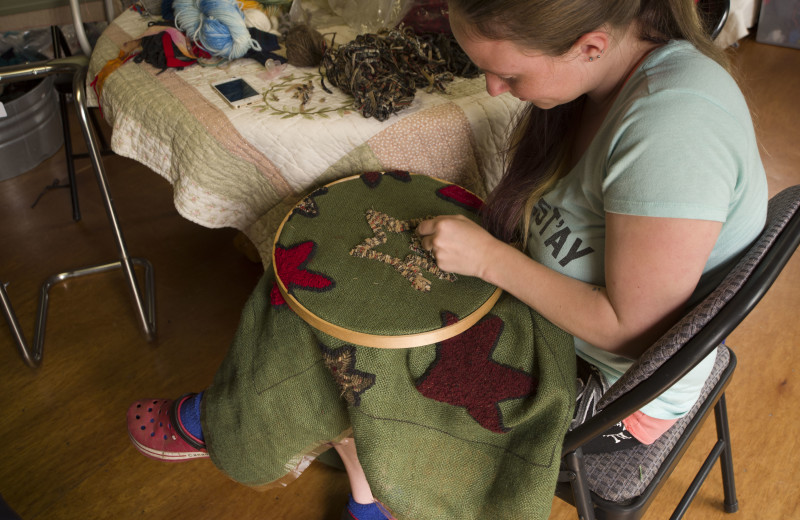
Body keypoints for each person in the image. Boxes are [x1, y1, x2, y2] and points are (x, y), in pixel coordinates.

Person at [127, 0, 767, 518]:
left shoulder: (673, 130)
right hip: (565, 324)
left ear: (590, 45)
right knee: (331, 282)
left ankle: (238, 420)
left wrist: (491, 261)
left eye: (509, 77)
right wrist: (489, 256)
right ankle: (358, 484)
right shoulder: (620, 71)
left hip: (611, 391)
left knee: (330, 332)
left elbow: (632, 330)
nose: (495, 89)